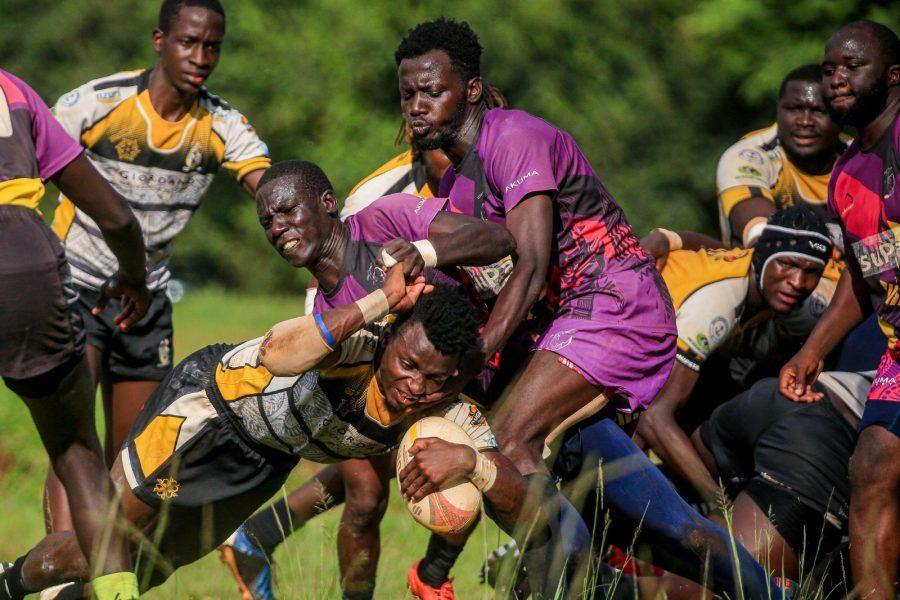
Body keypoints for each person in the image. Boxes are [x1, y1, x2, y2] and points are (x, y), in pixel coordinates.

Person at [394, 18, 795, 600]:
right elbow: (478, 303)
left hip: (616, 307)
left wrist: (470, 363)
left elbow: (529, 269)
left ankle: (589, 586)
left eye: (432, 91)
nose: (416, 107)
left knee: (503, 445)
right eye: (408, 94)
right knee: (669, 532)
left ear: (472, 90)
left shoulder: (515, 137)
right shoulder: (455, 190)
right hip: (562, 338)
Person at [0, 262, 542, 598]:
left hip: (264, 460)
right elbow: (278, 354)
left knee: (151, 570)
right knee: (109, 540)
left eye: (435, 379)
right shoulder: (359, 344)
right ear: (393, 337)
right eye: (408, 365)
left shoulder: (443, 414)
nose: (415, 386)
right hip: (208, 415)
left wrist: (474, 463)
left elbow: (526, 506)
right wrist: (378, 302)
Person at [219, 157, 514, 600]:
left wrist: (428, 253)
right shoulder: (332, 297)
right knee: (367, 496)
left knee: (451, 463)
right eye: (268, 221)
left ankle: (260, 535)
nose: (278, 229)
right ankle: (416, 579)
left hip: (459, 365)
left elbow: (497, 239)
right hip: (391, 382)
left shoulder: (413, 201)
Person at [44, 0, 270, 531]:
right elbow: (27, 162)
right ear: (159, 41)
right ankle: (61, 570)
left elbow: (271, 189)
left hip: (145, 299)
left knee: (131, 459)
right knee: (77, 441)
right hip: (77, 285)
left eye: (212, 46)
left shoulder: (221, 124)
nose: (201, 57)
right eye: (188, 43)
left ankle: (97, 570)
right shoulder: (95, 104)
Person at [0, 68, 150, 599]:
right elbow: (117, 218)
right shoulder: (14, 90)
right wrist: (134, 277)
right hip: (22, 261)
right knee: (78, 453)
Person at [780, 20, 900, 600]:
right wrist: (812, 350)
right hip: (898, 350)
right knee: (871, 466)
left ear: (894, 76)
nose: (836, 80)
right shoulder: (848, 172)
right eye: (829, 70)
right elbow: (861, 274)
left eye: (852, 67)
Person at [636, 207, 833, 503]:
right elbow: (653, 417)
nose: (798, 282)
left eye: (812, 272)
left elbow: (722, 249)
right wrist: (719, 504)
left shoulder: (756, 271)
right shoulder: (721, 302)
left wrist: (671, 237)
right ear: (764, 258)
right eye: (788, 265)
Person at [716, 64, 846, 248]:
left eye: (819, 111)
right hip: (770, 271)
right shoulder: (749, 156)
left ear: (842, 115)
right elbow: (762, 232)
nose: (805, 121)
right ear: (778, 110)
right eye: (794, 109)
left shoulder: (862, 159)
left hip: (855, 274)